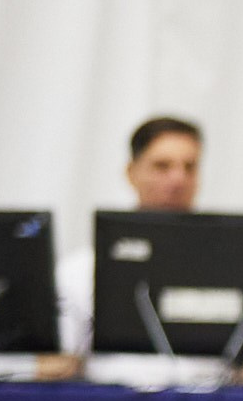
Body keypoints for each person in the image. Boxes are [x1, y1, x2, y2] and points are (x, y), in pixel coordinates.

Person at [52, 116, 201, 359]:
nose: (178, 179)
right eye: (162, 166)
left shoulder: (237, 269)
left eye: (189, 167)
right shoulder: (80, 271)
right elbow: (57, 361)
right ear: (132, 173)